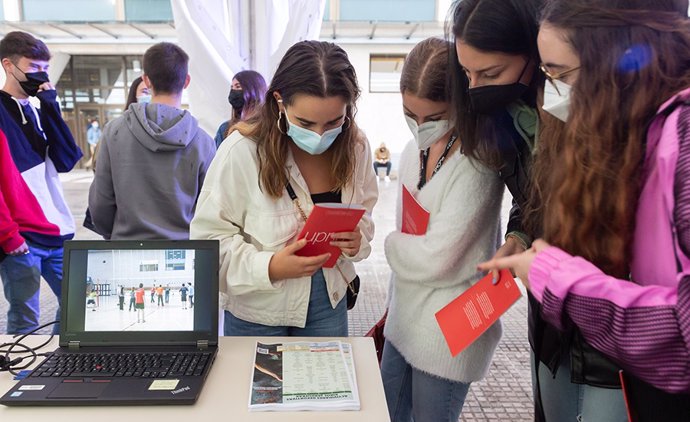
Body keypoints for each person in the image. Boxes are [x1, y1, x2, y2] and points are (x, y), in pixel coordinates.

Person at [479, 0, 690, 419]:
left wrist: (557, 279)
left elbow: (680, 335)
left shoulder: (679, 138)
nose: (551, 89)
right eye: (546, 73)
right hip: (590, 358)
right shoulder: (624, 126)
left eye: (559, 73)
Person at [451, 1, 628, 420]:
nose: (475, 88)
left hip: (614, 338)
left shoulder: (615, 121)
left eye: (490, 74)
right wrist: (520, 237)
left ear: (537, 57)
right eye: (466, 73)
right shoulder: (512, 118)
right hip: (551, 326)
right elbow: (531, 198)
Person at [191, 40, 377, 337]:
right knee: (260, 385)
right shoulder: (242, 151)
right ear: (279, 100)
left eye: (334, 121)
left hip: (329, 300)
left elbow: (364, 214)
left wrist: (358, 240)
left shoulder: (356, 146)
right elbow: (209, 243)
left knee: (323, 384)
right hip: (258, 308)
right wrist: (271, 266)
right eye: (305, 122)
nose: (319, 135)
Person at [380, 37, 504, 422]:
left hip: (449, 333)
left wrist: (391, 245)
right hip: (404, 321)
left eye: (432, 117)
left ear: (460, 102)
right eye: (409, 114)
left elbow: (439, 258)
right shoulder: (412, 149)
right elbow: (417, 240)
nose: (420, 127)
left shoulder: (477, 161)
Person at [88, 42, 216, 240]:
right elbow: (211, 209)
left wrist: (113, 233)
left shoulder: (114, 132)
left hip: (126, 251)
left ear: (146, 81)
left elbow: (100, 204)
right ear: (186, 81)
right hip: (185, 256)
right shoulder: (203, 142)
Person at [0, 31, 82, 334]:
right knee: (25, 319)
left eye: (44, 67)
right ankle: (21, 380)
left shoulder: (35, 109)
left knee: (76, 307)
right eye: (33, 67)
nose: (41, 75)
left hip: (56, 231)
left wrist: (50, 107)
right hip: (21, 238)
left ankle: (57, 368)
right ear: (9, 65)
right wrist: (9, 236)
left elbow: (66, 159)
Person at [214, 70, 267, 148]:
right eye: (232, 87)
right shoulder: (225, 129)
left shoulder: (268, 128)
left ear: (253, 90)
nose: (233, 91)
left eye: (238, 86)